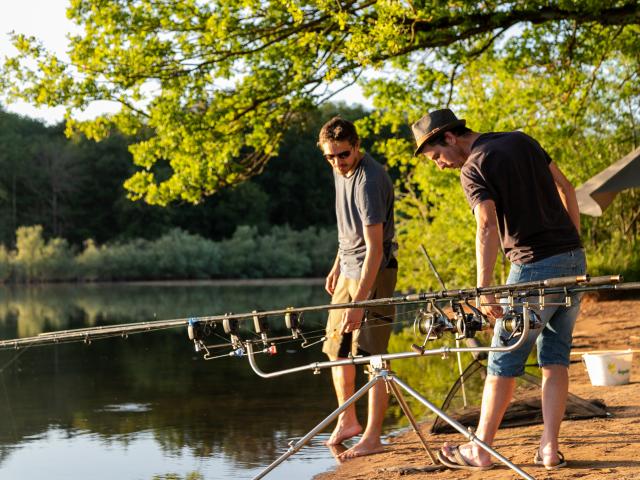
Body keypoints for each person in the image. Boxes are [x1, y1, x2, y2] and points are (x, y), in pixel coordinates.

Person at [411, 108, 585, 471]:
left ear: (449, 137)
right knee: (555, 357)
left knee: (502, 359)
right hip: (573, 262)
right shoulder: (521, 139)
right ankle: (549, 450)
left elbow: (487, 225)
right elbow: (567, 188)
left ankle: (480, 450)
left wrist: (483, 289)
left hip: (532, 268)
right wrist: (573, 243)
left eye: (437, 157)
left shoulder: (473, 168)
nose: (440, 165)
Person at [318, 116, 398, 459]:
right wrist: (337, 265)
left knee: (373, 356)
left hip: (374, 273)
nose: (338, 162)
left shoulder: (369, 180)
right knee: (337, 349)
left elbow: (375, 249)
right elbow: (346, 230)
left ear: (357, 146)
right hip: (349, 269)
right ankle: (348, 420)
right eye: (330, 156)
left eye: (344, 154)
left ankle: (373, 436)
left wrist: (358, 302)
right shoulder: (340, 172)